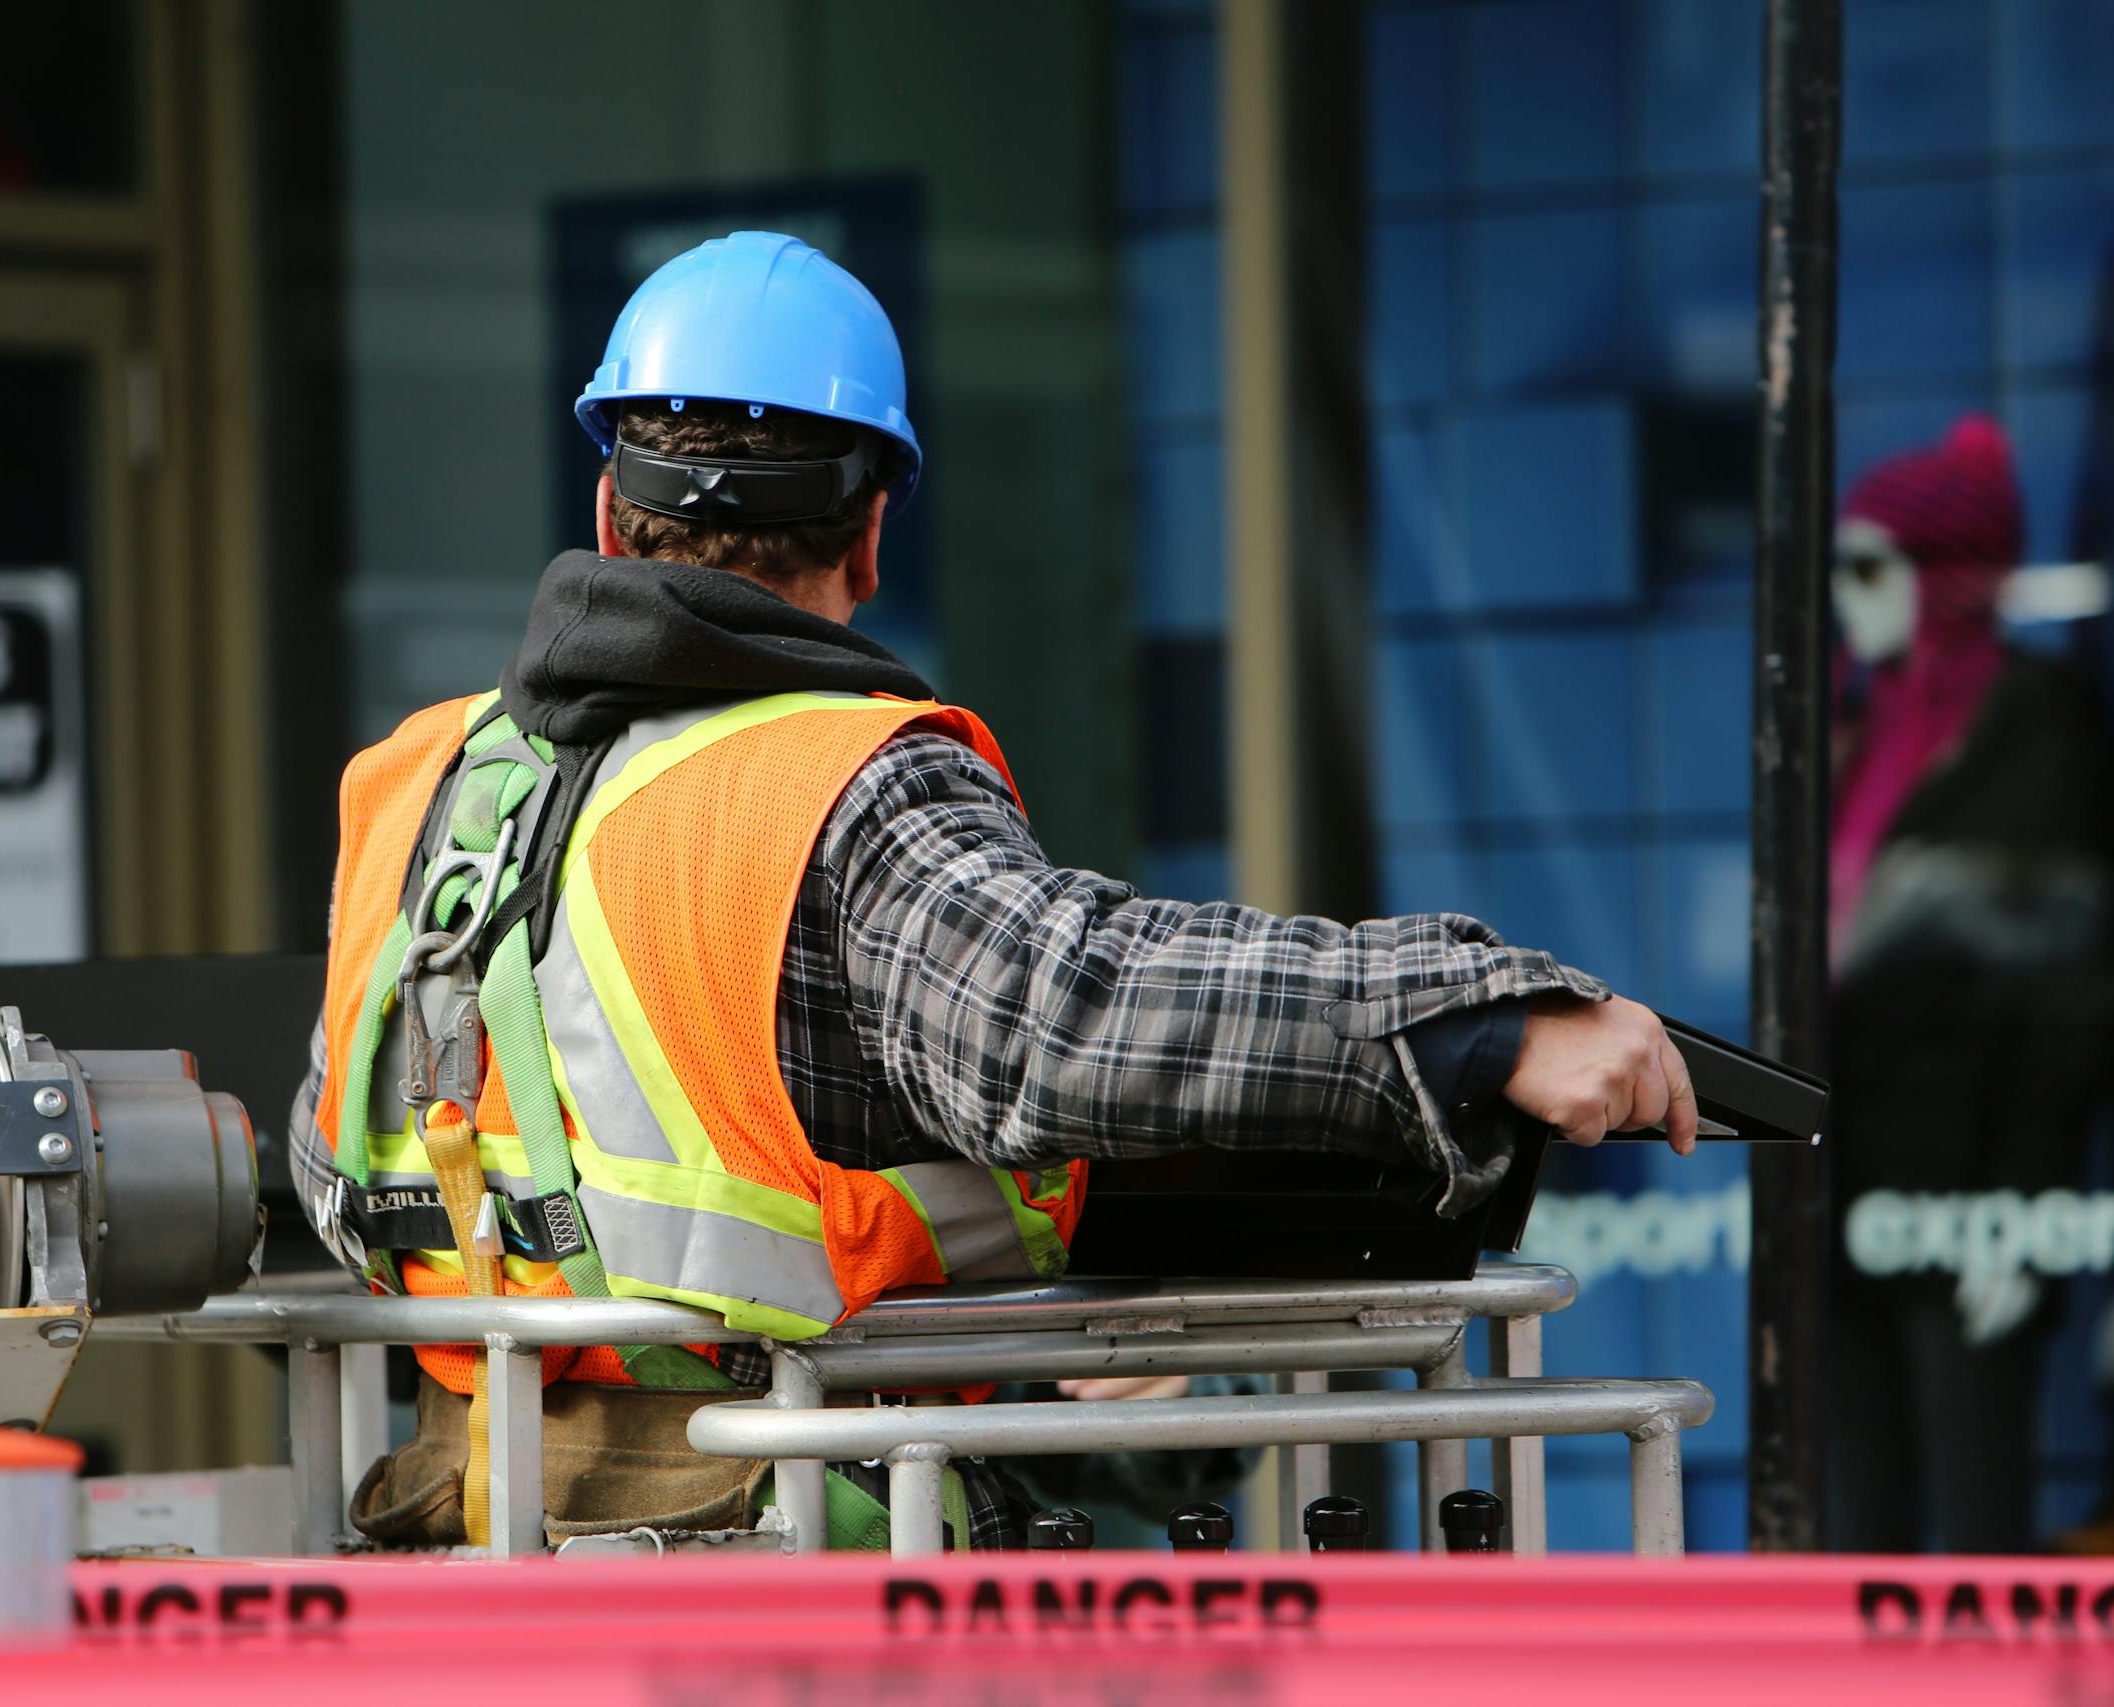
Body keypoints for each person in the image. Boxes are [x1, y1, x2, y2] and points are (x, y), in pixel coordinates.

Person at [288, 231, 1698, 1551]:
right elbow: (1061, 1015)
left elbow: (333, 1143)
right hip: (781, 1563)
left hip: (463, 1544)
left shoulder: (415, 783)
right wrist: (1481, 1019)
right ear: (872, 533)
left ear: (607, 504)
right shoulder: (834, 783)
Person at [1822, 415, 2114, 1553]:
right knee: (1855, 1522)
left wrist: (2021, 1211)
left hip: (1970, 1186)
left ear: (1941, 572)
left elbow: (2061, 1000)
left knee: (1973, 1518)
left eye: (1867, 567)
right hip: (1844, 1179)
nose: (1847, 597)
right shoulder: (1849, 727)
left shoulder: (2035, 731)